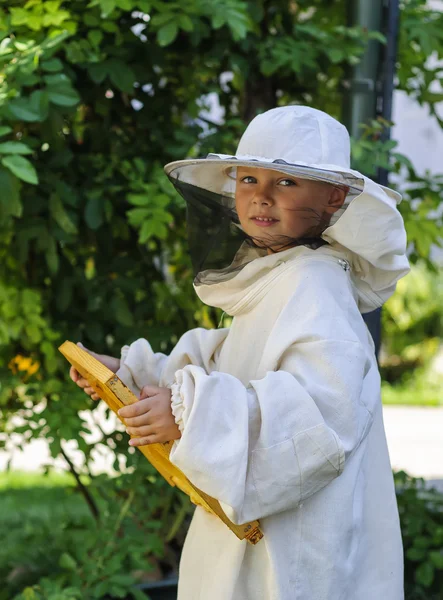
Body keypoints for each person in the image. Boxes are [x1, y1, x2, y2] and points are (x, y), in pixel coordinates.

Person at [70, 106, 409, 600]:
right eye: (248, 178)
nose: (262, 196)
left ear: (335, 197)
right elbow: (227, 365)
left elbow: (314, 421)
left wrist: (187, 413)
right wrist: (133, 374)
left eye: (288, 182)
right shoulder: (284, 273)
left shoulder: (317, 286)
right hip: (256, 532)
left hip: (294, 552)